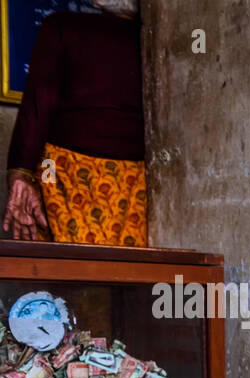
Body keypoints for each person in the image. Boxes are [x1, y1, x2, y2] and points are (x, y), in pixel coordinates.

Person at [2, 0, 146, 245]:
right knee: (125, 271)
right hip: (136, 178)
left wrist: (20, 173)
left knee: (68, 270)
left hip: (63, 171)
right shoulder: (158, 42)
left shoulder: (61, 26)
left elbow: (39, 104)